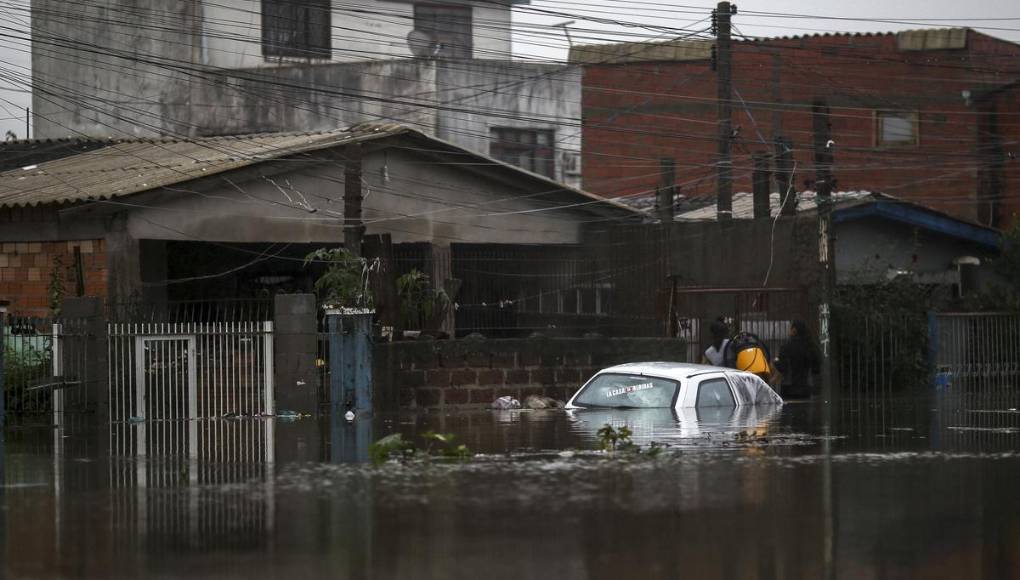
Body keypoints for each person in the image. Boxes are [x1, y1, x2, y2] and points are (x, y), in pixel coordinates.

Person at [773, 320, 821, 399]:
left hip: (788, 388)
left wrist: (775, 362)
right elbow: (816, 368)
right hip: (805, 388)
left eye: (790, 329)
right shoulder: (810, 347)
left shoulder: (786, 347)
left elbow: (782, 368)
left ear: (794, 330)